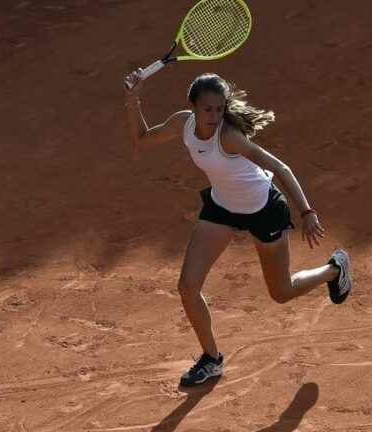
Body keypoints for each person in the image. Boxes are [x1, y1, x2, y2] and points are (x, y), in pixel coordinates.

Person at [123, 70, 353, 386]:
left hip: (263, 210)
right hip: (222, 208)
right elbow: (142, 139)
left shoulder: (229, 137)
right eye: (207, 109)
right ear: (192, 108)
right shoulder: (182, 124)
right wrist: (133, 97)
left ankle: (333, 270)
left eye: (220, 109)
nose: (215, 116)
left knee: (281, 292)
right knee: (187, 286)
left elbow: (280, 168)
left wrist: (307, 211)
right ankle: (211, 359)